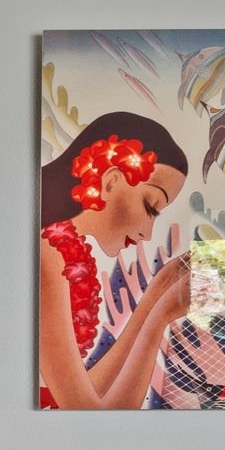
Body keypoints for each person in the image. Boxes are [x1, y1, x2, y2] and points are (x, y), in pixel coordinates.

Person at [37, 112, 190, 409]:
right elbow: (91, 414)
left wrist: (154, 296)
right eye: (151, 207)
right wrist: (159, 318)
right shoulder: (48, 254)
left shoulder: (63, 250)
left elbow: (87, 392)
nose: (148, 234)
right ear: (110, 182)